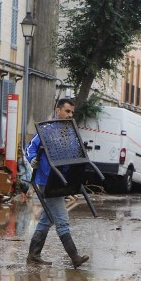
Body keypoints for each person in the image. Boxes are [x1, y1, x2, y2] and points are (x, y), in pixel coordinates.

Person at [24, 97, 89, 268]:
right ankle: (75, 257)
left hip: (61, 180)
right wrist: (32, 160)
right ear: (58, 111)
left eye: (72, 112)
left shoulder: (70, 132)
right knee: (61, 218)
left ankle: (33, 255)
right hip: (47, 180)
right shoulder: (46, 130)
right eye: (67, 111)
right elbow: (29, 148)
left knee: (48, 218)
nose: (70, 115)